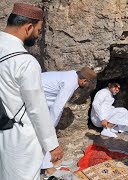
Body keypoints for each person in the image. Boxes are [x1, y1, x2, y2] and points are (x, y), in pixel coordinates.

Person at [0, 3, 63, 180]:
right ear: (28, 27)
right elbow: (37, 108)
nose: (38, 34)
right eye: (39, 29)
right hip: (19, 138)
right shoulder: (25, 62)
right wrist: (52, 145)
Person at [40, 67, 97, 175]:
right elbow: (58, 106)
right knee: (44, 134)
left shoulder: (71, 75)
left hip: (39, 99)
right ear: (84, 81)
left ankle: (54, 162)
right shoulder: (70, 82)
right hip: (30, 98)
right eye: (87, 83)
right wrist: (50, 127)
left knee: (45, 133)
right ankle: (48, 168)